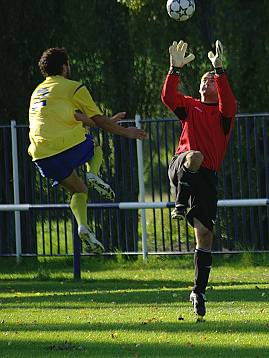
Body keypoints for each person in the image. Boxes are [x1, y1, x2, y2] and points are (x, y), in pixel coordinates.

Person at [28, 47, 146, 253]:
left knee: (79, 189)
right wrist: (126, 132)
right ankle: (93, 173)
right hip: (63, 146)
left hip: (41, 155)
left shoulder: (38, 92)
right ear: (64, 67)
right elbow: (98, 121)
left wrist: (108, 121)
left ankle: (83, 226)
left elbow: (76, 117)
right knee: (94, 144)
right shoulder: (73, 87)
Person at [161, 40, 237, 320]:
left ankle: (198, 291)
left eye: (211, 80)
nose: (206, 82)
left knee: (205, 237)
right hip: (181, 166)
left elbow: (229, 101)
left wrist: (220, 70)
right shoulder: (190, 107)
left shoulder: (224, 113)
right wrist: (174, 69)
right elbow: (168, 97)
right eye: (204, 79)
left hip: (205, 180)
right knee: (194, 156)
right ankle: (179, 204)